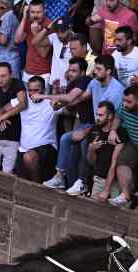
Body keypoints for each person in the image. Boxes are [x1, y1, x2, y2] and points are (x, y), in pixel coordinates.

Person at [41, 57, 95, 192]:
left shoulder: (86, 80)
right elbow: (66, 108)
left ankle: (82, 183)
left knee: (77, 146)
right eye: (69, 70)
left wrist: (45, 96)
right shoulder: (72, 85)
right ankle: (62, 178)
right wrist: (55, 100)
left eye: (74, 71)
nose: (70, 73)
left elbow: (70, 99)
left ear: (82, 72)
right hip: (83, 124)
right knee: (69, 150)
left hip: (94, 126)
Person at [17, 76, 59, 183]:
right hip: (23, 149)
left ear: (44, 90)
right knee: (19, 183)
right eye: (30, 90)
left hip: (47, 148)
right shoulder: (24, 100)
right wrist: (2, 117)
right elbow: (4, 108)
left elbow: (68, 109)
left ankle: (36, 188)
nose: (33, 93)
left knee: (29, 157)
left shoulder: (50, 103)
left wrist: (52, 94)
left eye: (36, 90)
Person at [88, 101, 129, 200]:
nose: (97, 117)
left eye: (101, 115)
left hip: (115, 180)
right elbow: (91, 162)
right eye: (97, 114)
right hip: (99, 178)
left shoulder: (120, 132)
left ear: (110, 116)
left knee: (115, 212)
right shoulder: (94, 130)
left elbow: (114, 163)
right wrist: (91, 149)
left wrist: (106, 190)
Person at [15, 0, 51, 87]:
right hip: (28, 71)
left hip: (43, 73)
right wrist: (24, 18)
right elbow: (17, 40)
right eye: (32, 12)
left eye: (38, 12)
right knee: (28, 100)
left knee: (42, 100)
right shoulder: (28, 22)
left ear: (44, 11)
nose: (35, 15)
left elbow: (43, 54)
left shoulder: (49, 25)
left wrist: (36, 34)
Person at [0, 0, 20, 76]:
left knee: (6, 85)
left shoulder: (7, 16)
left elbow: (3, 41)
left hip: (5, 61)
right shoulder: (11, 15)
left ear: (9, 6)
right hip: (7, 59)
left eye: (2, 8)